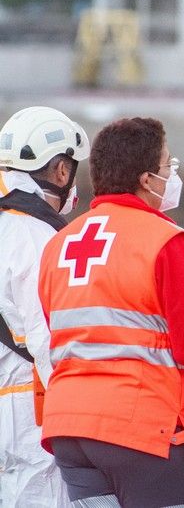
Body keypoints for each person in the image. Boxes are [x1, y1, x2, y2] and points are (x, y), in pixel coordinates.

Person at [38, 116, 184, 507]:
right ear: (145, 179)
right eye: (167, 166)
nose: (172, 174)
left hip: (69, 429)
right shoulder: (167, 242)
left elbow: (60, 333)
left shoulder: (60, 244)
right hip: (142, 428)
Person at [0, 107, 87, 508]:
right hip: (28, 405)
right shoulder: (34, 234)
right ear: (60, 171)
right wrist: (78, 416)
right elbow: (46, 336)